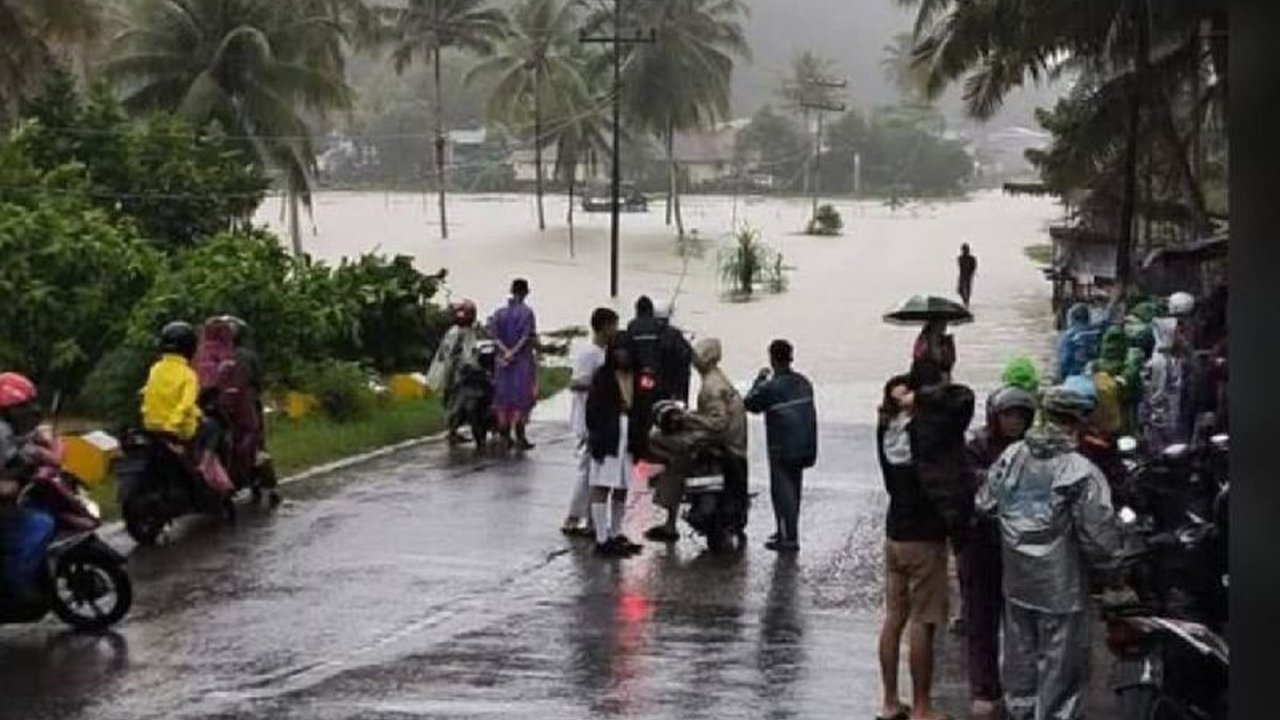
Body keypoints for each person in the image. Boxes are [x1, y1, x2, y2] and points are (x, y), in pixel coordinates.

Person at [976, 384, 1123, 720]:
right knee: (1062, 667)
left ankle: (1021, 712)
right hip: (1061, 586)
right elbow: (1098, 538)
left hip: (1017, 580)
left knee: (1020, 657)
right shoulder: (1079, 470)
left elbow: (985, 503)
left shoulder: (1012, 455)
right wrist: (1113, 571)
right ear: (1079, 420)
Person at [875, 373, 957, 720]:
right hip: (924, 535)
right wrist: (927, 397)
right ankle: (922, 706)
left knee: (894, 618)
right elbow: (961, 400)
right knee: (924, 621)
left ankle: (890, 701)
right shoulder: (923, 434)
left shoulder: (885, 430)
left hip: (895, 532)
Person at [960, 381, 1038, 719]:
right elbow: (968, 487)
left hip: (1023, 548)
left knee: (1024, 624)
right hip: (982, 546)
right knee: (981, 620)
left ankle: (1024, 688)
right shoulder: (977, 446)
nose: (1014, 422)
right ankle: (984, 689)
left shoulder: (1034, 451)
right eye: (1008, 415)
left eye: (1020, 416)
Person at [645, 337, 748, 543]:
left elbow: (717, 422)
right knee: (676, 461)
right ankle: (672, 518)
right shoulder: (718, 380)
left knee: (656, 440)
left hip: (719, 439)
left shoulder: (711, 386)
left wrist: (687, 418)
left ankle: (670, 516)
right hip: (729, 440)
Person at [141, 321, 233, 503]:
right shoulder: (188, 374)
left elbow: (147, 394)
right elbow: (186, 404)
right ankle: (206, 465)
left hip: (152, 426)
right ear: (190, 347)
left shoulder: (156, 369)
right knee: (213, 427)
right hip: (178, 429)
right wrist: (173, 425)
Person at [744, 339, 817, 552]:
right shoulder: (804, 382)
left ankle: (789, 537)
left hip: (781, 445)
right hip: (806, 443)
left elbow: (750, 403)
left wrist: (759, 380)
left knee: (782, 491)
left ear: (772, 358)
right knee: (795, 488)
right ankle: (784, 530)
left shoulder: (771, 386)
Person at [584, 334, 644, 557]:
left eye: (625, 351)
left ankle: (616, 533)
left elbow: (645, 405)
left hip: (630, 435)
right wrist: (596, 438)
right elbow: (592, 410)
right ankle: (601, 538)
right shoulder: (603, 376)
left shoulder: (638, 376)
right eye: (618, 351)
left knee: (622, 486)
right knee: (602, 484)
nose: (622, 355)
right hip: (608, 435)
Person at [0, 373, 56, 606]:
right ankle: (14, 584)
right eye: (22, 406)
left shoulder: (9, 430)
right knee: (40, 524)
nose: (30, 410)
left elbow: (23, 444)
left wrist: (41, 445)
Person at [561, 307, 619, 537]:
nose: (615, 330)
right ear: (604, 327)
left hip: (601, 418)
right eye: (613, 326)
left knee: (595, 470)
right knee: (586, 470)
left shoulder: (607, 353)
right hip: (588, 418)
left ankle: (590, 518)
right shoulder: (589, 354)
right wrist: (600, 385)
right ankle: (573, 516)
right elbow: (575, 383)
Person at [488, 279, 538, 450]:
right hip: (521, 361)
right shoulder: (527, 313)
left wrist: (506, 352)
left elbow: (495, 337)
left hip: (502, 363)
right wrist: (514, 352)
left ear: (511, 291)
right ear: (526, 292)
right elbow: (526, 337)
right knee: (521, 398)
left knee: (503, 399)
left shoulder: (499, 313)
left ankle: (504, 436)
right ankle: (520, 436)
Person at [427, 300, 482, 446]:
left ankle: (454, 430)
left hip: (460, 371)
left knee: (456, 400)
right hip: (456, 373)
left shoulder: (463, 331)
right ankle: (452, 431)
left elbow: (471, 352)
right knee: (456, 401)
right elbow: (452, 354)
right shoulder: (457, 332)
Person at [626, 295, 665, 459]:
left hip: (638, 376)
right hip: (654, 375)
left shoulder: (632, 326)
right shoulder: (658, 326)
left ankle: (637, 445)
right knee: (654, 408)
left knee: (638, 411)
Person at [655, 301, 694, 404]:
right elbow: (687, 354)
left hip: (658, 384)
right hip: (674, 386)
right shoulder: (675, 334)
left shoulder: (648, 332)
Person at [1055, 303, 1104, 382]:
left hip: (1074, 378)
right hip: (1098, 378)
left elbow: (1063, 362)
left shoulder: (1068, 336)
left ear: (1072, 318)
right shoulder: (1098, 332)